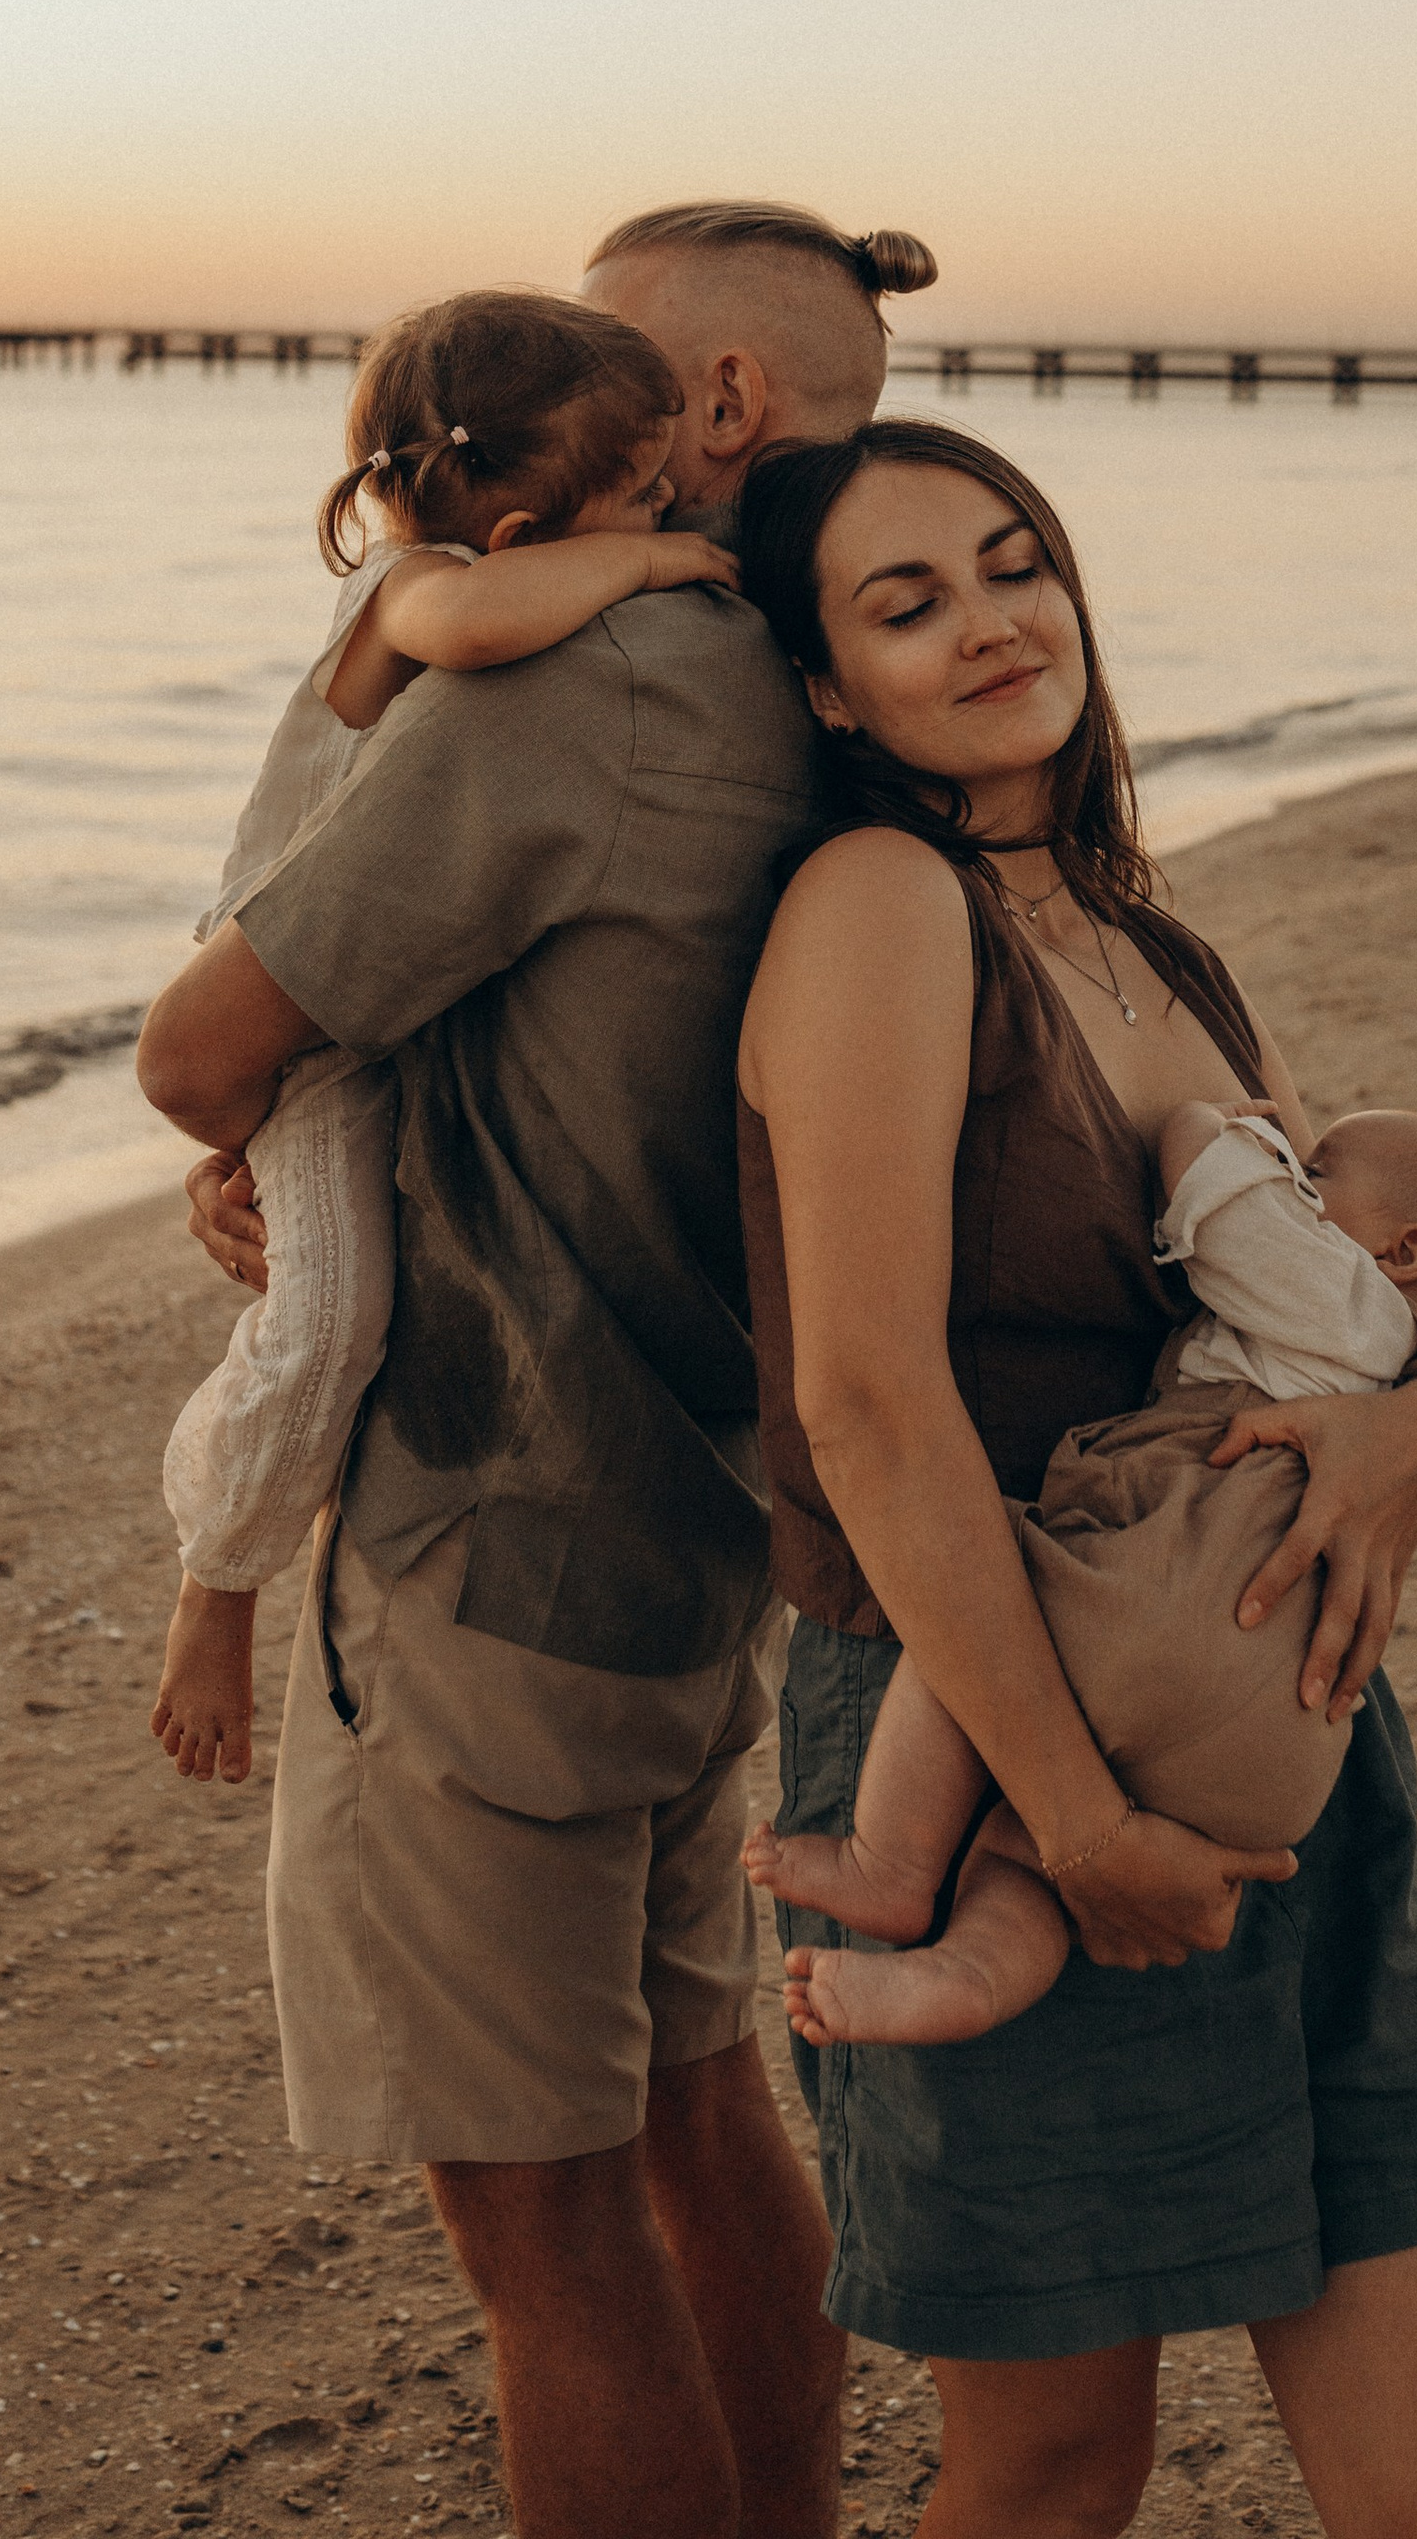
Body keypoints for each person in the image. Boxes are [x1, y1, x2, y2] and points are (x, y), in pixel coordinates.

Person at [134, 202, 937, 2539]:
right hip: (696, 1532)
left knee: (539, 2228)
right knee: (696, 2110)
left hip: (488, 1542)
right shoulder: (810, 676)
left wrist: (258, 1138)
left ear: (717, 409)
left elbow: (203, 1042)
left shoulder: (567, 685)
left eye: (606, 342)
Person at [728, 417, 1417, 2539]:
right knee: (1049, 2476)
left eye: (1016, 567)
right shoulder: (873, 907)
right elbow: (867, 1406)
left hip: (1292, 1755)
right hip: (989, 1744)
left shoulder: (1144, 927)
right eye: (905, 603)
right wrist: (1072, 1823)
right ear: (825, 688)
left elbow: (1316, 1318)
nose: (992, 621)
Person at [149, 288, 737, 1776]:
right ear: (540, 544)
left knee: (327, 1288)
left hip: (355, 994)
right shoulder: (416, 590)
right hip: (299, 1009)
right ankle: (216, 1584)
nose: (671, 520)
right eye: (644, 496)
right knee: (325, 1320)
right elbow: (476, 624)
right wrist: (660, 559)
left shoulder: (492, 587)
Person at [748, 1094, 1417, 2044]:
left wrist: (1222, 1130)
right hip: (1278, 1752)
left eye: (1316, 1175)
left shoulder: (1342, 1298)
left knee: (975, 1596)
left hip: (1172, 1621)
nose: (1295, 1176)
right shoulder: (1398, 1378)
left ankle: (890, 1863)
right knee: (1024, 1863)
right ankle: (968, 1977)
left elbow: (1212, 1197)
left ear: (1407, 1256)